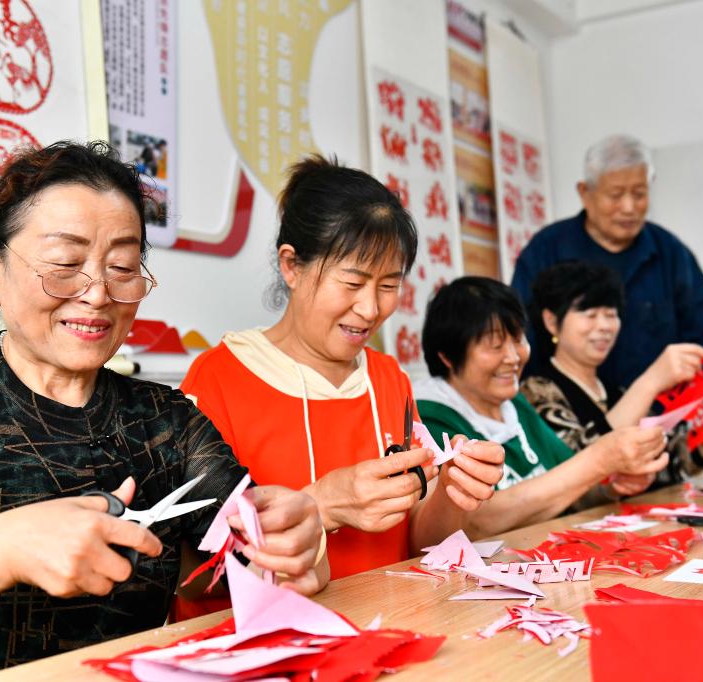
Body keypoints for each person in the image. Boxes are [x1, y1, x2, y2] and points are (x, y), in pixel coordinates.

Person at [0, 141, 326, 681]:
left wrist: (299, 548)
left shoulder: (167, 422)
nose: (97, 294)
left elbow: (256, 570)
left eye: (121, 266)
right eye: (65, 264)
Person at [180, 155, 506, 596]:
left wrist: (452, 491)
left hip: (389, 622)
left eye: (388, 286)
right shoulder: (219, 378)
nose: (370, 309)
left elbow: (419, 544)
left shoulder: (388, 379)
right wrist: (324, 504)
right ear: (292, 266)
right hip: (271, 633)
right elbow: (191, 575)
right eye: (352, 283)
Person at [415, 276, 669, 537]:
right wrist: (600, 460)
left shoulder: (515, 404)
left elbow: (568, 490)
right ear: (447, 356)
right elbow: (475, 521)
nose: (513, 357)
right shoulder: (430, 420)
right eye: (495, 346)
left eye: (518, 340)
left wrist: (609, 489)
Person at [521, 261, 703, 486]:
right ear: (551, 321)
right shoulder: (536, 390)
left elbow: (669, 465)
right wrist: (651, 382)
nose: (604, 326)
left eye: (611, 315)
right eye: (590, 315)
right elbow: (576, 467)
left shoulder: (615, 390)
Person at [511, 134, 703, 389]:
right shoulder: (546, 251)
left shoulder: (671, 254)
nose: (628, 207)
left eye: (639, 194)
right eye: (615, 195)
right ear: (585, 193)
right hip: (565, 407)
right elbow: (520, 338)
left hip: (662, 408)